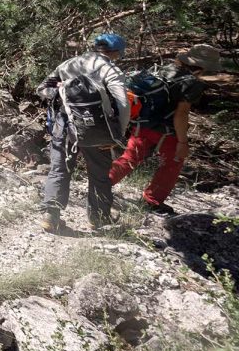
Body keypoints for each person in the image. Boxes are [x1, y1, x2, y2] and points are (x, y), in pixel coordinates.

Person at [108, 44, 221, 214]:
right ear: (203, 66)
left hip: (142, 123)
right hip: (166, 131)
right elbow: (181, 114)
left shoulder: (163, 69)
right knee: (173, 162)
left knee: (130, 158)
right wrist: (183, 142)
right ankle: (152, 200)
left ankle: (101, 184)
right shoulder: (192, 83)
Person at [37, 33, 131, 233]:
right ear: (116, 53)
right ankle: (99, 218)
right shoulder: (110, 69)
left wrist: (60, 93)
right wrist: (118, 136)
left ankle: (50, 215)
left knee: (59, 167)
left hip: (65, 124)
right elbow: (123, 103)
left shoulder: (69, 64)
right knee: (99, 173)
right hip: (97, 129)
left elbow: (42, 89)